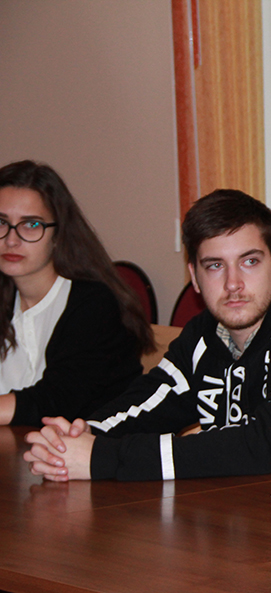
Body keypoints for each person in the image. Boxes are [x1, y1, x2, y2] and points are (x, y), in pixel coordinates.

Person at [24, 189, 271, 480]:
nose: (234, 283)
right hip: (245, 512)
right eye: (215, 266)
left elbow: (261, 448)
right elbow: (149, 402)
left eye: (250, 262)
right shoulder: (205, 335)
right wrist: (79, 436)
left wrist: (101, 458)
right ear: (195, 277)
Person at [0, 160, 153, 427]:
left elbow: (53, 403)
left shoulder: (96, 304)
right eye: (1, 222)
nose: (11, 239)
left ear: (58, 234)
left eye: (31, 225)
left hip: (93, 449)